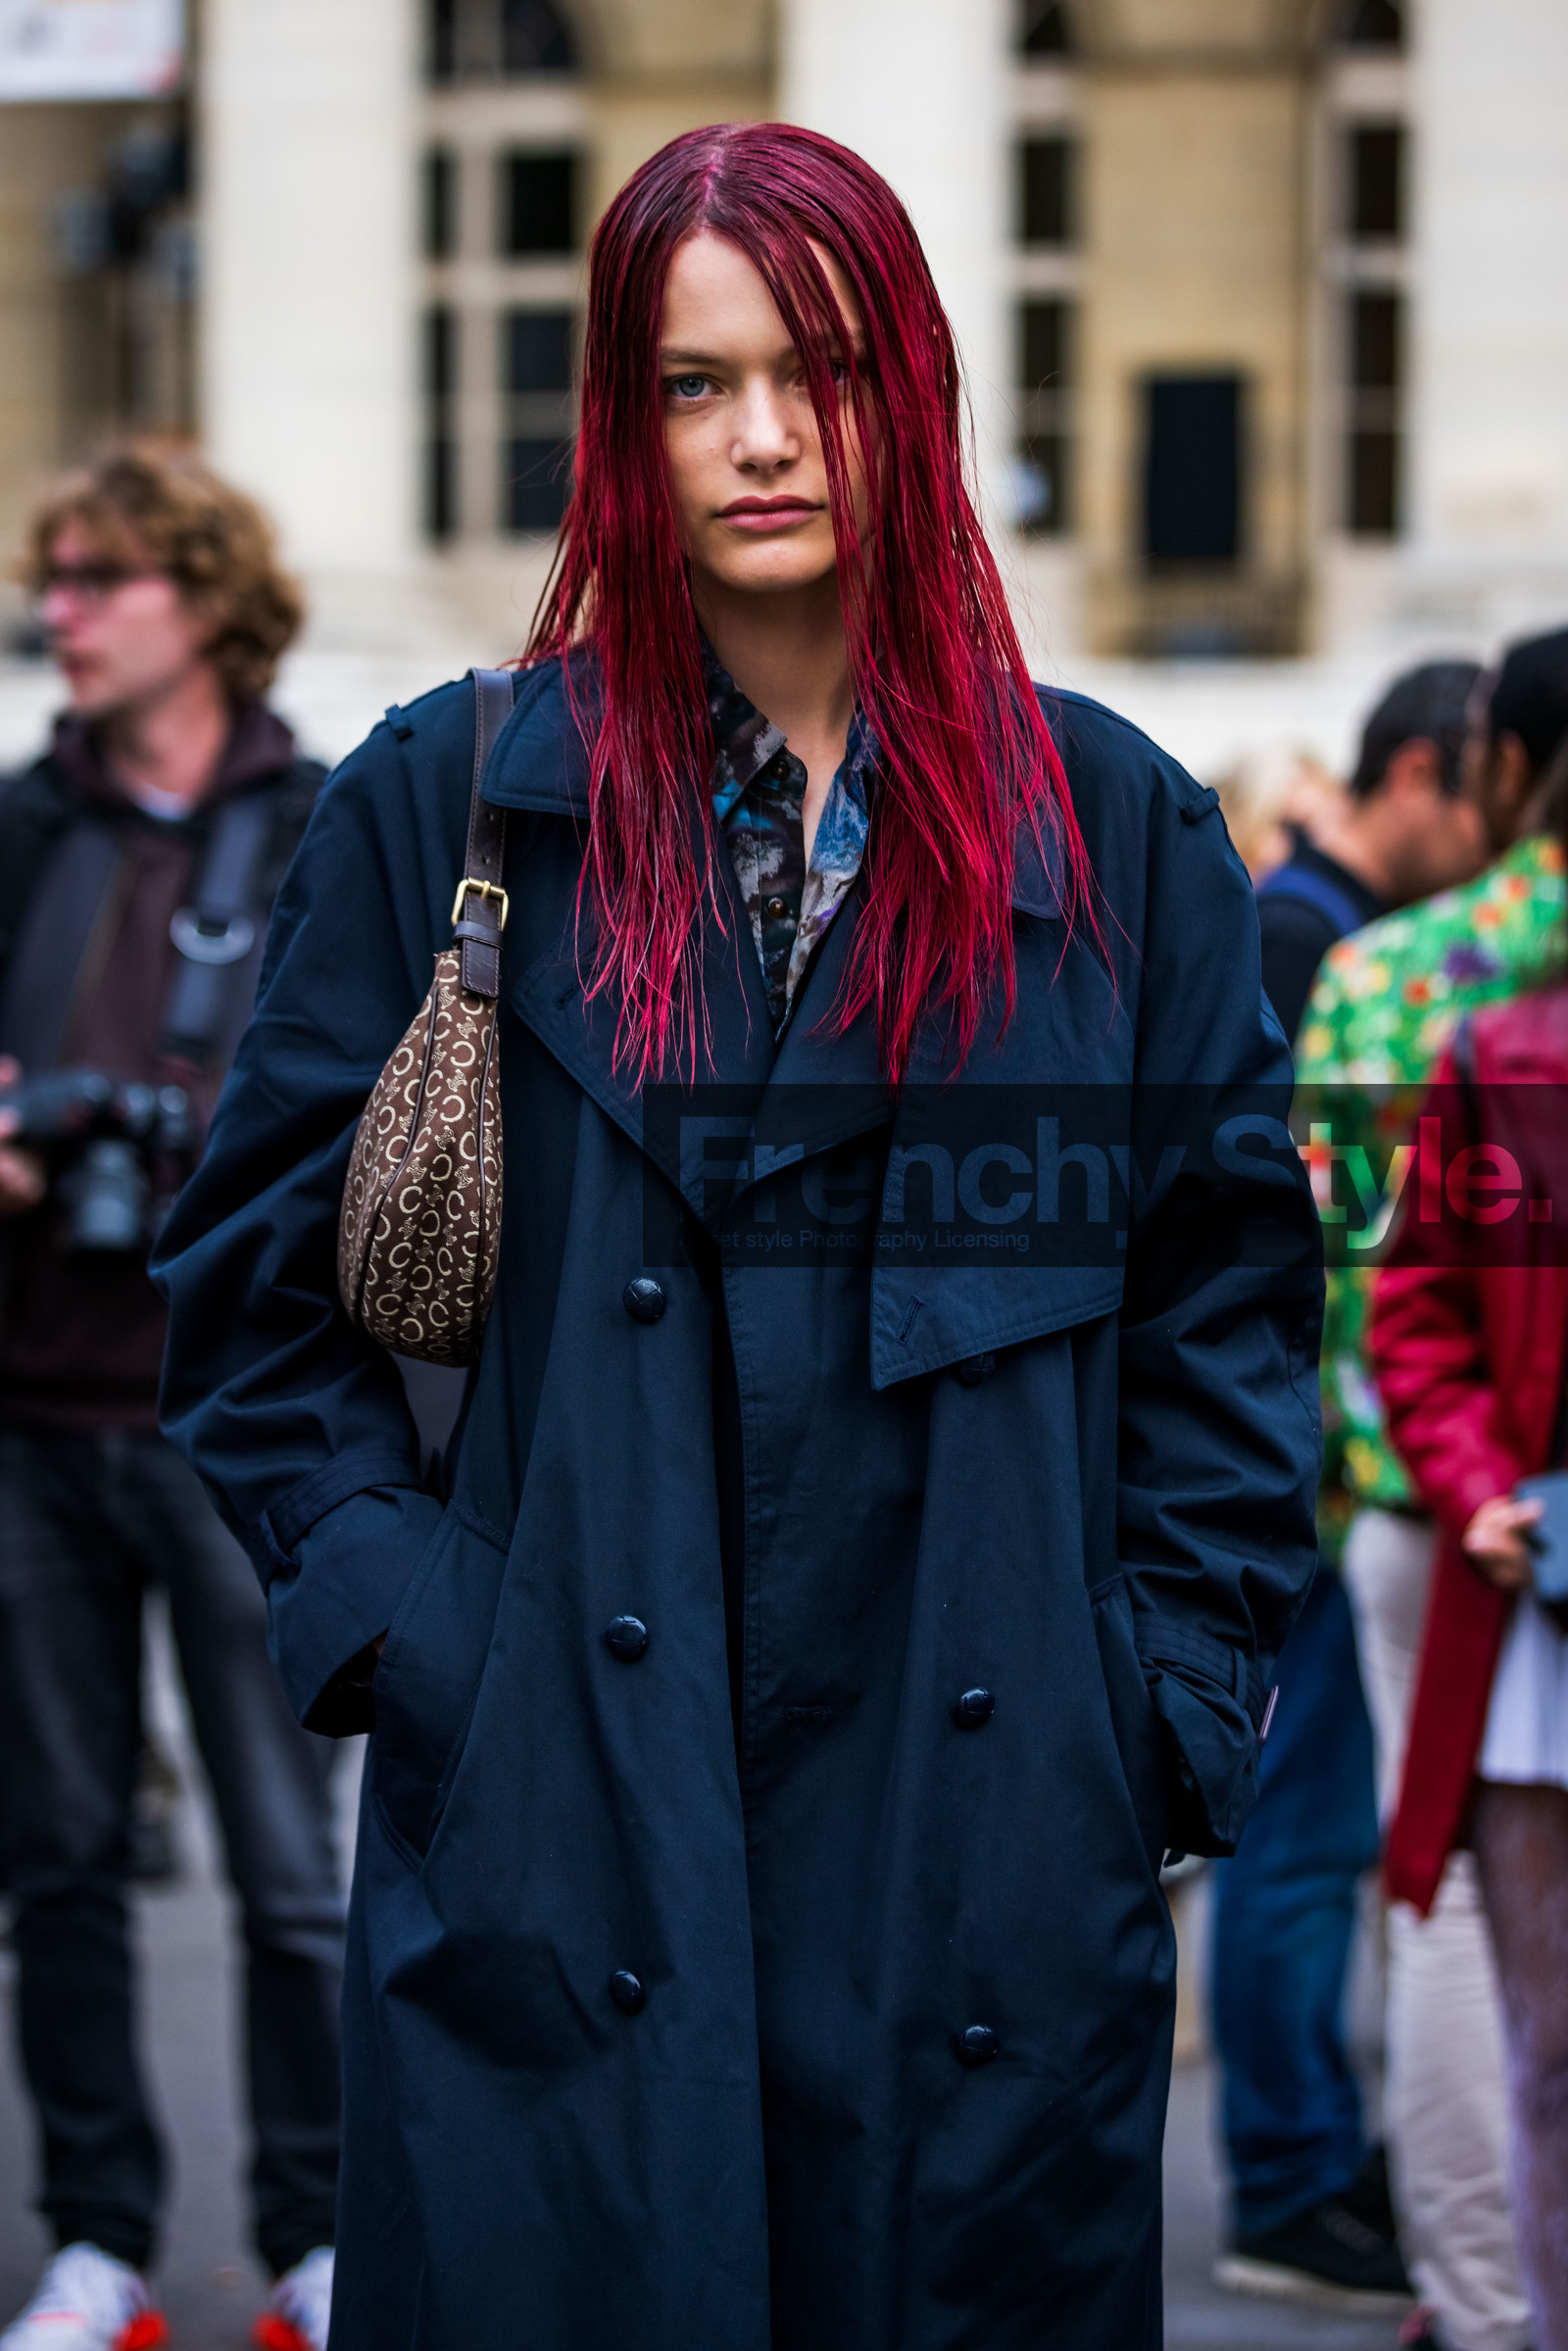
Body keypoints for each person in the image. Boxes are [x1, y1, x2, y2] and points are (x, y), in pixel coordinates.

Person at [152, 124, 1323, 2349]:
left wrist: (1154, 1700)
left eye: (821, 371)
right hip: (566, 1814)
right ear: (621, 418)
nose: (763, 438)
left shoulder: (1118, 830)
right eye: (694, 383)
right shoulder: (449, 800)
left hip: (981, 1844)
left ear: (915, 394)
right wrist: (429, 1635)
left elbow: (1227, 1310)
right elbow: (252, 1297)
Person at [0, 446, 343, 2351]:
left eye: (99, 576)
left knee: (293, 1876)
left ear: (205, 601)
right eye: (52, 577)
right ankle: (99, 2247)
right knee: (59, 1865)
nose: (59, 611)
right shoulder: (21, 830)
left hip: (245, 1421)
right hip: (31, 1416)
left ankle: (318, 2237)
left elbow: (376, 1106)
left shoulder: (319, 827)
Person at [1293, 629, 1568, 2351]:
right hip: (1483, 1492)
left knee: (1453, 1895)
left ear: (1504, 763)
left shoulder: (1393, 972)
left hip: (1430, 1502)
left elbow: (1333, 1254)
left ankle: (1482, 2299)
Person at [1211, 660, 1487, 2317]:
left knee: (1320, 1827)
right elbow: (1294, 1231)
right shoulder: (1312, 945)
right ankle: (1291, 2167)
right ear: (1427, 776)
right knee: (1301, 1829)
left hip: (1318, 1451)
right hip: (1310, 1464)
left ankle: (1311, 2152)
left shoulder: (1325, 932)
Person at [1370, 786, 1568, 2349]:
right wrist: (1481, 1486)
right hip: (1531, 1619)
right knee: (1544, 2045)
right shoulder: (1501, 1057)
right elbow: (1417, 1312)